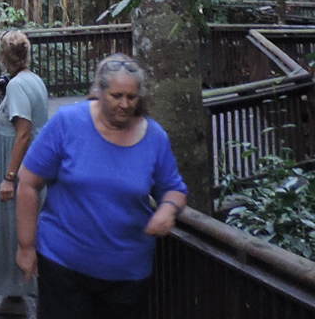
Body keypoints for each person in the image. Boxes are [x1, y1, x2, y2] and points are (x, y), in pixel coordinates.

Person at [13, 54, 188, 316]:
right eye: (116, 96)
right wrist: (26, 246)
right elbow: (28, 183)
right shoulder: (68, 123)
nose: (124, 104)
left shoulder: (154, 137)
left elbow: (174, 188)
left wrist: (168, 209)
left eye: (132, 97)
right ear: (100, 90)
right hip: (64, 264)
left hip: (128, 271)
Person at [0, 30, 50, 315]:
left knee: (15, 227)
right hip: (33, 160)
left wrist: (10, 178)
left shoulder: (19, 85)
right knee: (15, 227)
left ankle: (36, 297)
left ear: (3, 56)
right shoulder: (33, 80)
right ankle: (13, 296)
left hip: (18, 163)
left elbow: (23, 132)